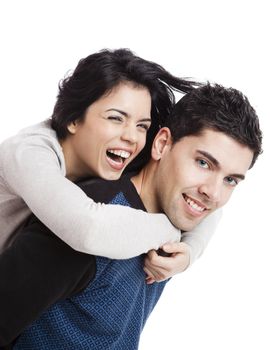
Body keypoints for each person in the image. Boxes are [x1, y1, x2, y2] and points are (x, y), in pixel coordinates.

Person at [0, 83, 262, 349]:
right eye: (203, 163)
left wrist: (190, 253)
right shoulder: (87, 217)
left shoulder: (179, 213)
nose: (213, 194)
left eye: (230, 180)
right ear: (162, 144)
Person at [0, 49, 219, 278]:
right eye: (116, 118)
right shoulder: (26, 153)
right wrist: (172, 231)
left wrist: (190, 253)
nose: (132, 137)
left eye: (142, 125)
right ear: (74, 118)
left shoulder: (117, 154)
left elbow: (208, 204)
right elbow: (89, 229)